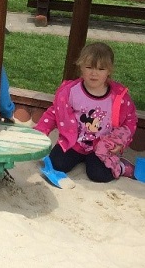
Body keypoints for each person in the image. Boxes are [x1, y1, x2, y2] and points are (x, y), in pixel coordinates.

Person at [35, 42, 137, 182]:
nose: (94, 73)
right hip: (74, 143)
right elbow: (55, 112)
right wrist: (40, 131)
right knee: (56, 164)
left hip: (101, 147)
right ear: (81, 66)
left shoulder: (119, 97)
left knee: (98, 175)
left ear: (109, 71)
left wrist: (120, 142)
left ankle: (122, 166)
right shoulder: (71, 91)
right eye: (89, 67)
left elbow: (130, 120)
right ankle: (78, 158)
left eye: (101, 69)